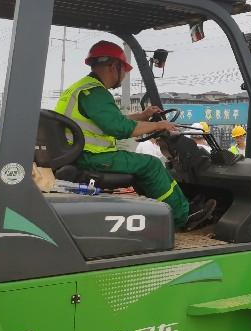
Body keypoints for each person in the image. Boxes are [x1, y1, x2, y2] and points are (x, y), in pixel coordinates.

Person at [55, 41, 210, 230]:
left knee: (141, 169)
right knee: (152, 165)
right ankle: (182, 217)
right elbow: (120, 128)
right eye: (124, 70)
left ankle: (161, 212)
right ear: (114, 66)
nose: (124, 76)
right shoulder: (94, 92)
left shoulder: (81, 89)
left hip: (79, 154)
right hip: (91, 156)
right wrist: (158, 125)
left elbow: (110, 121)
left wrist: (142, 116)